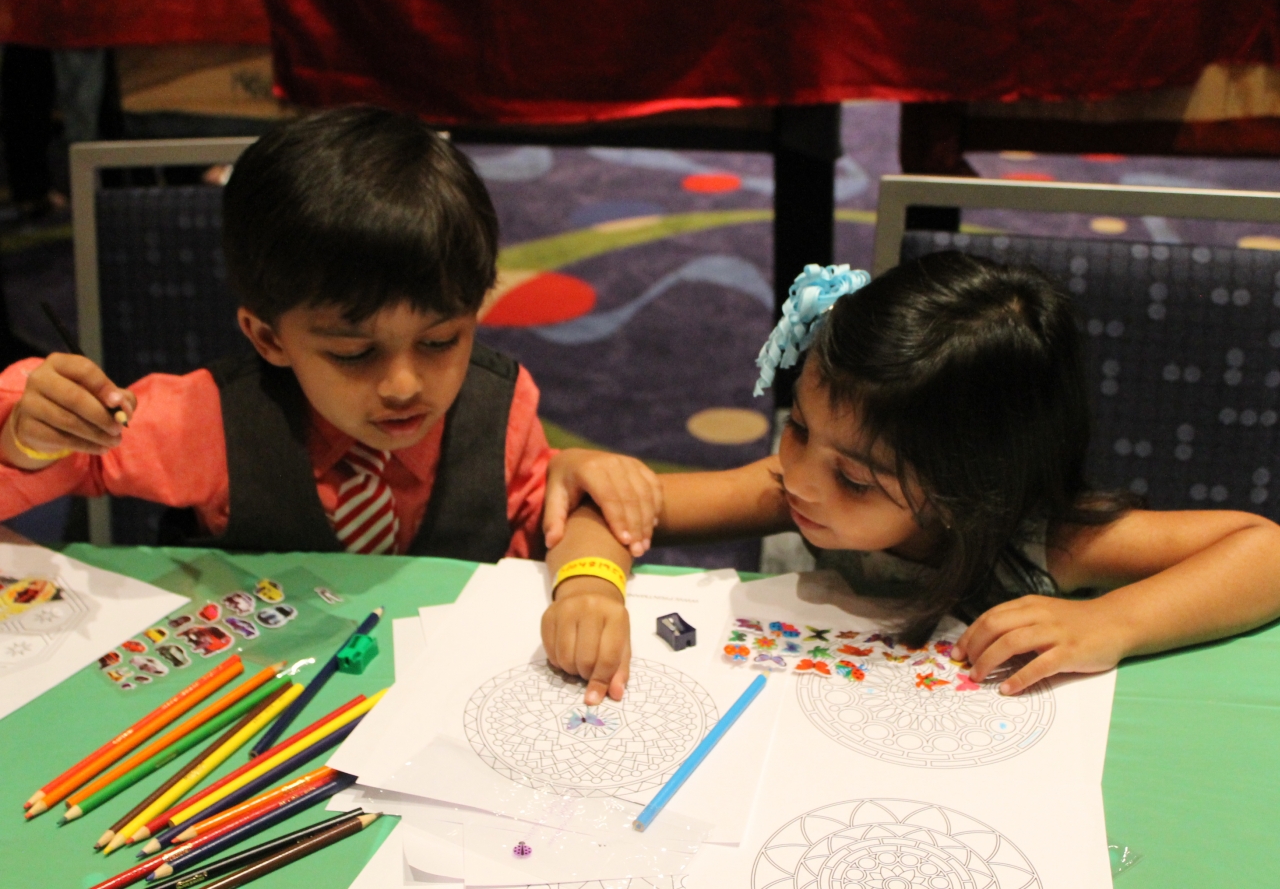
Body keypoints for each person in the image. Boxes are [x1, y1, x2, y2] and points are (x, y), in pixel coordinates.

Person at [0, 106, 656, 705]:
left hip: (442, 703)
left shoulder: (498, 406)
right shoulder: (210, 421)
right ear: (267, 337)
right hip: (252, 701)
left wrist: (589, 580)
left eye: (439, 340)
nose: (405, 384)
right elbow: (51, 467)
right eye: (352, 353)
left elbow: (552, 514)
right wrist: (29, 434)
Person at [563, 252, 1280, 695]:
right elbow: (613, 505)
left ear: (967, 491)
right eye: (801, 430)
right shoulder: (791, 491)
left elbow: (1266, 551)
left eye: (857, 480)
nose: (802, 478)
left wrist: (1111, 620)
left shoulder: (1042, 544)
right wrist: (589, 584)